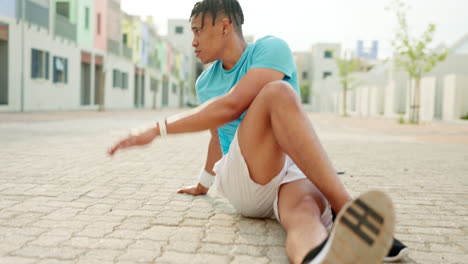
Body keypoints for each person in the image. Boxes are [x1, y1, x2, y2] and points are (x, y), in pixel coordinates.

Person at [109, 0, 408, 263]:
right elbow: (220, 129)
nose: (193, 42)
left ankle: (316, 256)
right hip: (246, 181)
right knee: (277, 93)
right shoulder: (205, 82)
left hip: (288, 173)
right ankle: (348, 209)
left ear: (225, 26)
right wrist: (201, 181)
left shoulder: (270, 48)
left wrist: (166, 140)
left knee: (305, 213)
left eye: (198, 30)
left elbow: (230, 108)